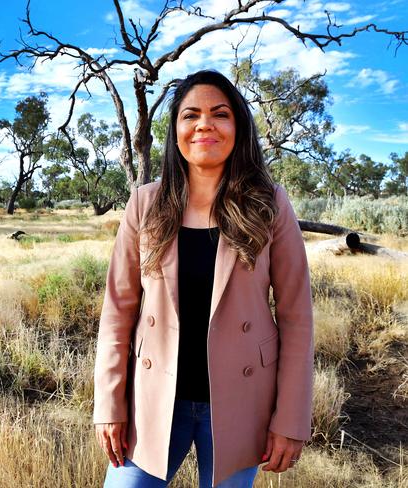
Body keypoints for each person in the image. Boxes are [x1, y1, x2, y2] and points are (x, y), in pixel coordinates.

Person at [93, 70, 314, 488]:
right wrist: (109, 403)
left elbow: (296, 317)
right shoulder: (145, 203)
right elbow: (118, 311)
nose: (204, 124)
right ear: (176, 129)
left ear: (238, 128)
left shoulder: (270, 204)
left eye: (220, 114)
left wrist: (291, 418)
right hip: (154, 399)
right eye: (190, 114)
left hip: (242, 400)